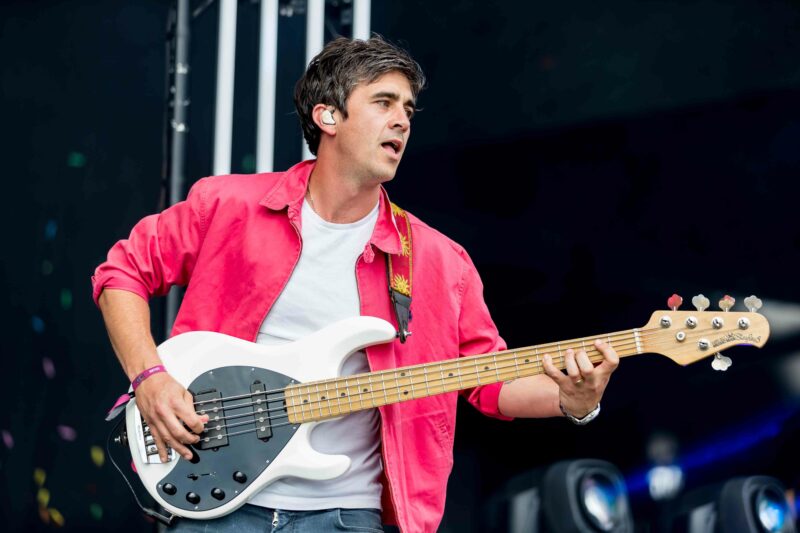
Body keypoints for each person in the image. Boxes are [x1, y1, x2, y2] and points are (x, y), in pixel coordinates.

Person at [92, 35, 619, 533]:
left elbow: (487, 380)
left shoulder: (441, 261)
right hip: (217, 501)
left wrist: (574, 401)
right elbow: (121, 273)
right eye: (384, 102)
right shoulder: (228, 205)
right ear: (328, 116)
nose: (402, 120)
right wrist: (150, 378)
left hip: (344, 514)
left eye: (408, 109)